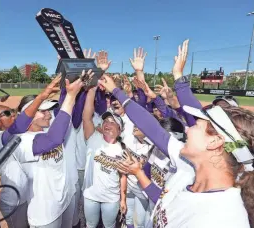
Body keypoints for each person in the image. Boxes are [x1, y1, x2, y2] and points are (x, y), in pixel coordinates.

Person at [99, 40, 254, 228]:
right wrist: (117, 91)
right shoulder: (187, 164)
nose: (189, 127)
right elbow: (153, 129)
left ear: (215, 141)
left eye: (199, 125)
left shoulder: (226, 218)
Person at [13, 76, 86, 228]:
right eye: (42, 111)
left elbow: (69, 114)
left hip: (65, 199)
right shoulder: (21, 141)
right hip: (44, 213)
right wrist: (71, 95)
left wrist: (71, 75)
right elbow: (53, 140)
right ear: (27, 114)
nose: (48, 114)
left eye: (48, 110)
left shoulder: (49, 128)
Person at [0, 75, 62, 228]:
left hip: (30, 198)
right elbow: (18, 126)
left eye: (12, 111)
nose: (12, 114)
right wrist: (42, 96)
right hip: (15, 203)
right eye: (5, 114)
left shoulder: (27, 135)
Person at [82, 86, 127, 228]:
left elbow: (123, 176)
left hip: (111, 198)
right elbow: (86, 117)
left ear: (119, 130)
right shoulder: (93, 138)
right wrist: (92, 90)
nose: (107, 123)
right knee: (91, 224)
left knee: (109, 225)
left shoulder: (122, 150)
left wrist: (123, 199)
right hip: (90, 195)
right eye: (106, 120)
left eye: (112, 122)